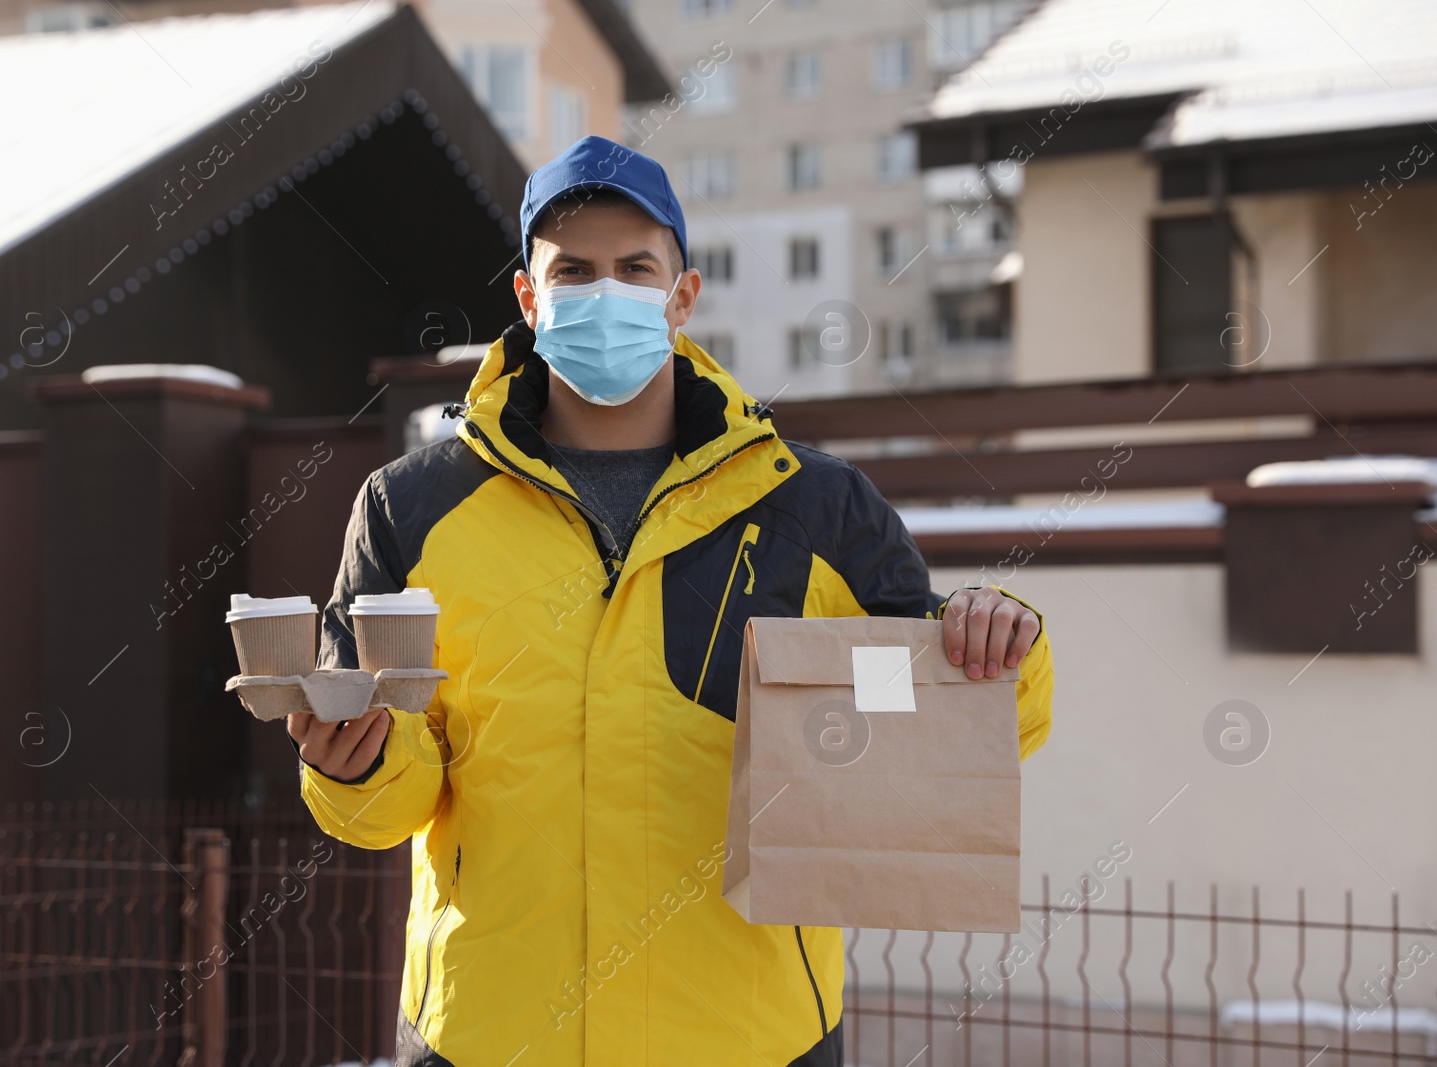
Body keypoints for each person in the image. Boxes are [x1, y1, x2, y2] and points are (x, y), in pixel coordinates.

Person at [289, 135, 1053, 1066]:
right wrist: (354, 765)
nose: (602, 293)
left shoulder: (813, 506)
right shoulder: (410, 509)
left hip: (748, 1038)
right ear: (529, 298)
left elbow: (953, 723)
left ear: (681, 296)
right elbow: (381, 809)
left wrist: (1000, 642)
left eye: (633, 267)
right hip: (487, 1036)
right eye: (572, 270)